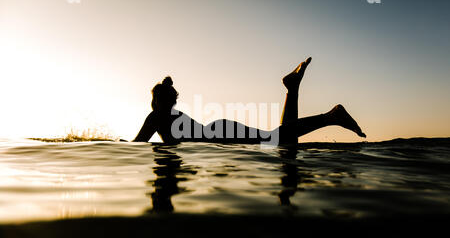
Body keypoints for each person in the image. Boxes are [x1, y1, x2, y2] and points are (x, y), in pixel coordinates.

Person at [133, 57, 366, 144]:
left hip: (220, 135)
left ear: (155, 101)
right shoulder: (171, 114)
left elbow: (137, 145)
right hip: (219, 131)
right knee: (280, 141)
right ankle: (293, 89)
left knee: (278, 140)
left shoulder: (156, 116)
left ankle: (330, 116)